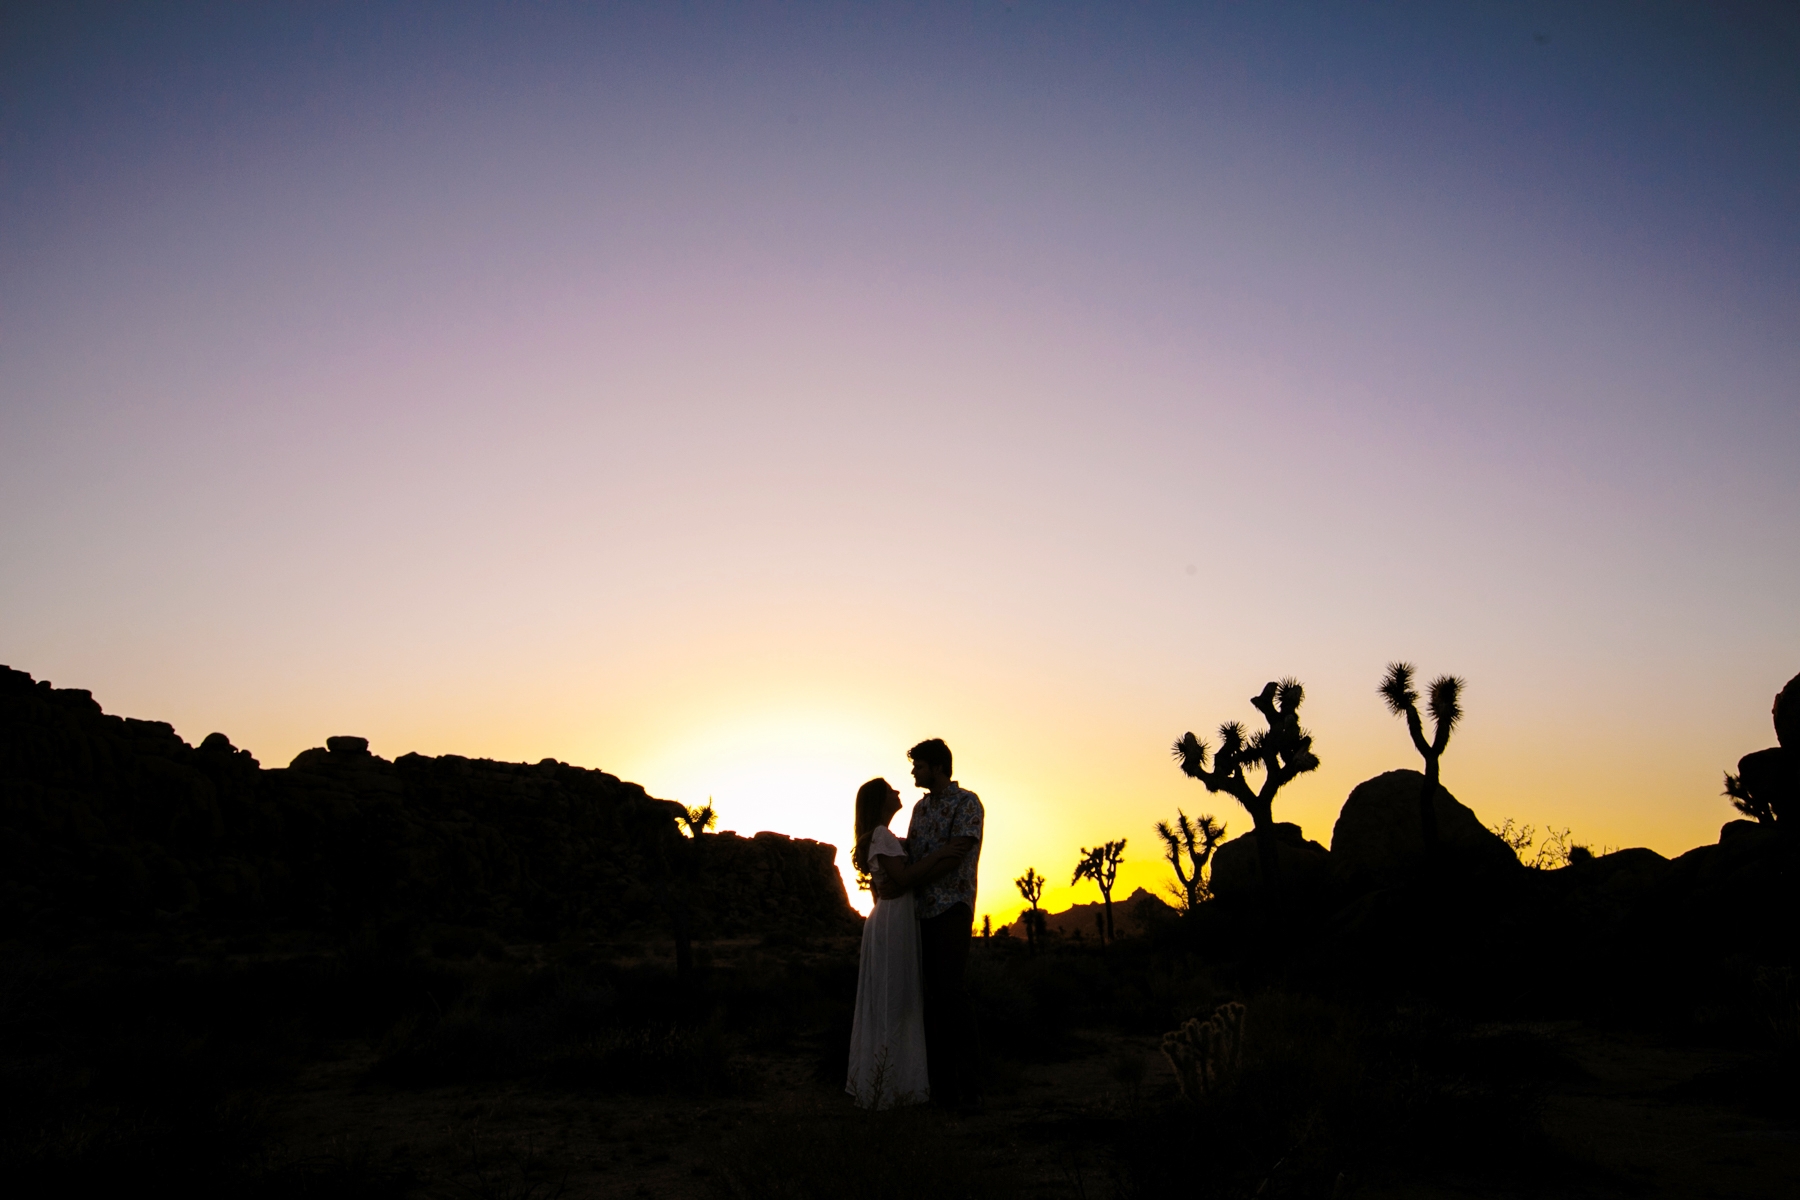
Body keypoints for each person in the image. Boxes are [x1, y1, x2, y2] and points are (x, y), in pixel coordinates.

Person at [845, 776, 970, 1109]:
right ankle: (892, 1089)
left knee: (894, 1000)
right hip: (892, 923)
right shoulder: (882, 836)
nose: (898, 792)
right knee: (897, 1001)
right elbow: (902, 878)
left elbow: (887, 880)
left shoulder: (883, 837)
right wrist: (943, 853)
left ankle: (890, 1084)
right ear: (880, 801)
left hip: (891, 919)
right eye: (890, 790)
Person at [897, 737, 984, 1111]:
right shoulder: (919, 810)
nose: (914, 771)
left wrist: (916, 872)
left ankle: (972, 1089)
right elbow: (922, 854)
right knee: (933, 999)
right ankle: (944, 1090)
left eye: (918, 765)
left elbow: (957, 856)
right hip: (921, 911)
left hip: (952, 907)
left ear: (936, 766)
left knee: (951, 993)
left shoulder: (967, 804)